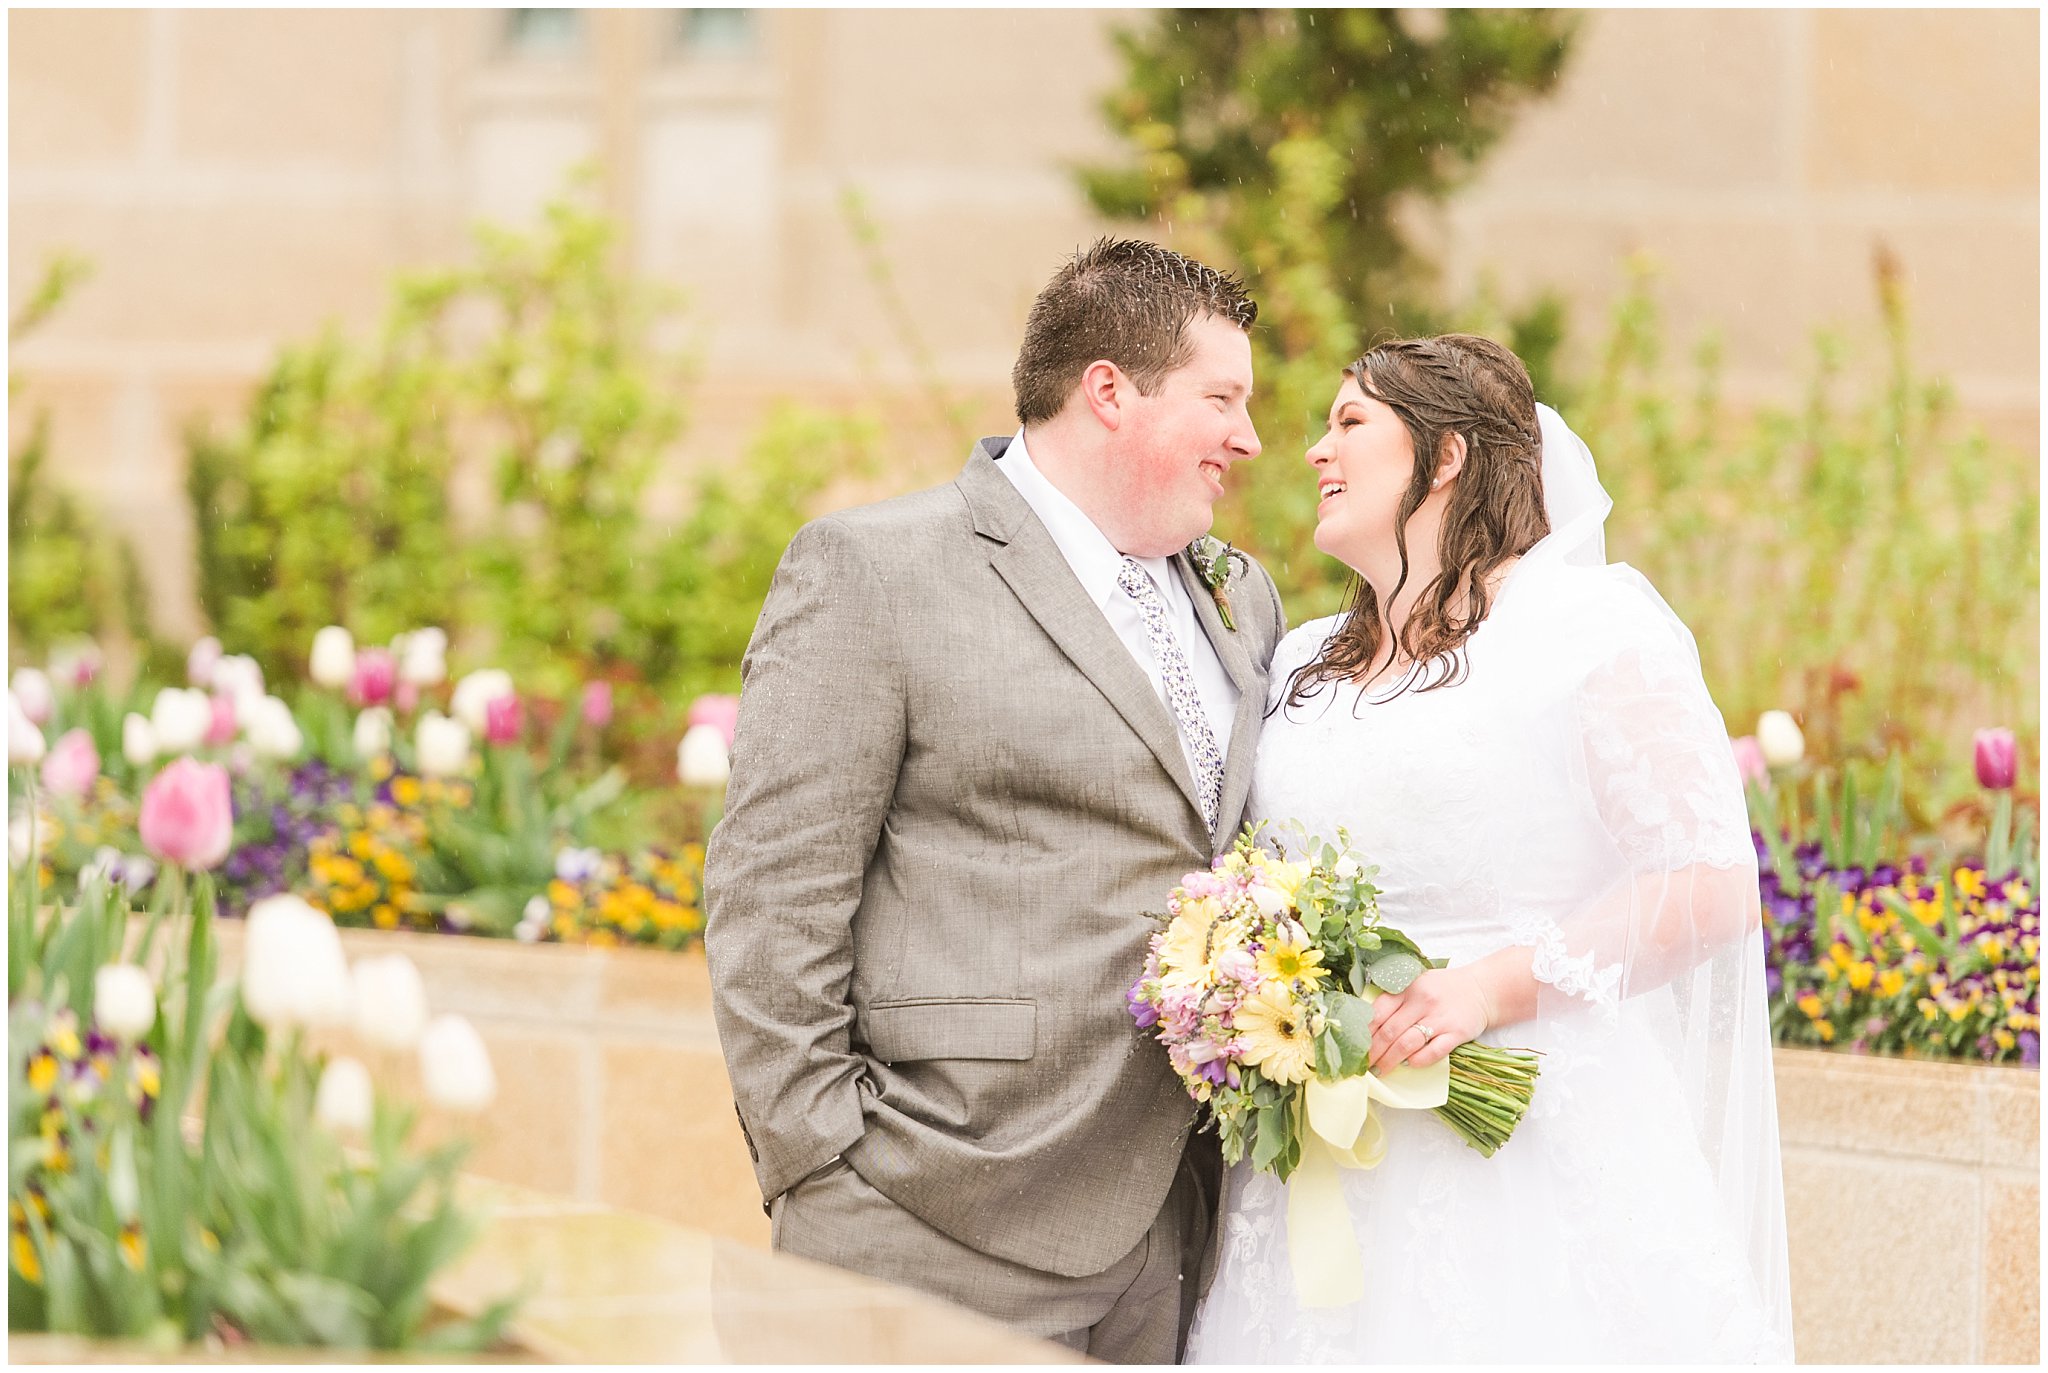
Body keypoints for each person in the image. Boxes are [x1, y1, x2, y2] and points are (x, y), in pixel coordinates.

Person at [704, 238, 1290, 1363]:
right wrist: (821, 1165)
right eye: (1221, 398)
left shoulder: (1239, 595)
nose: (1248, 437)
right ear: (1107, 391)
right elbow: (771, 892)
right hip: (926, 1216)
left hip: (1170, 1230)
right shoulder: (875, 570)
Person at [1185, 334, 1794, 1362]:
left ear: (1448, 452)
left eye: (1348, 423)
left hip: (1525, 1132)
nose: (1312, 452)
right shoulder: (1295, 663)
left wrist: (1488, 988)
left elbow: (1707, 884)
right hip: (1323, 1151)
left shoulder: (1582, 630)